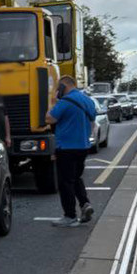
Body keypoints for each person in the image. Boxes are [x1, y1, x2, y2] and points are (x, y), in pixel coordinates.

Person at [45, 76, 98, 227]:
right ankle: (85, 204)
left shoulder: (64, 102)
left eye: (58, 88)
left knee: (65, 182)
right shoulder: (87, 100)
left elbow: (49, 119)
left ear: (62, 87)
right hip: (83, 146)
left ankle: (70, 216)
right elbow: (92, 119)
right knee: (76, 177)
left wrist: (54, 102)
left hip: (66, 148)